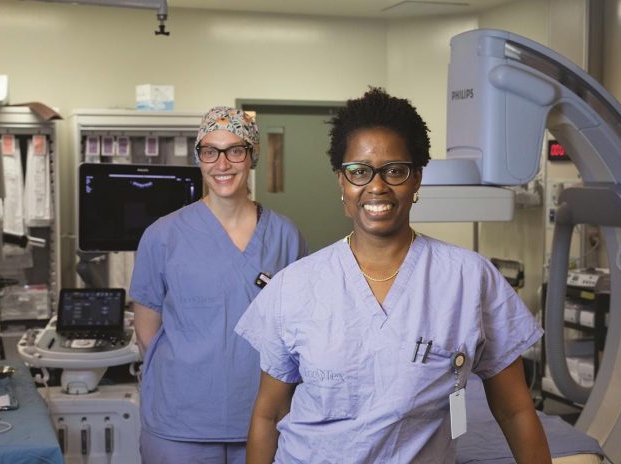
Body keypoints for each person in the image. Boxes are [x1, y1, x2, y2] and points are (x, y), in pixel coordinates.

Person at [234, 88, 551, 463]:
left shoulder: (468, 279)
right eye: (359, 171)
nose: (377, 186)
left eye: (395, 171)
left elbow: (515, 411)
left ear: (417, 179)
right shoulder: (296, 286)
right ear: (342, 181)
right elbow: (268, 415)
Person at [130, 106, 308, 464]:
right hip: (180, 424)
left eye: (234, 150)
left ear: (252, 155)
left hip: (264, 417)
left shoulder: (284, 235)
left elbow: (300, 330)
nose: (221, 164)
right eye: (210, 151)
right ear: (199, 158)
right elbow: (147, 332)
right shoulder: (163, 236)